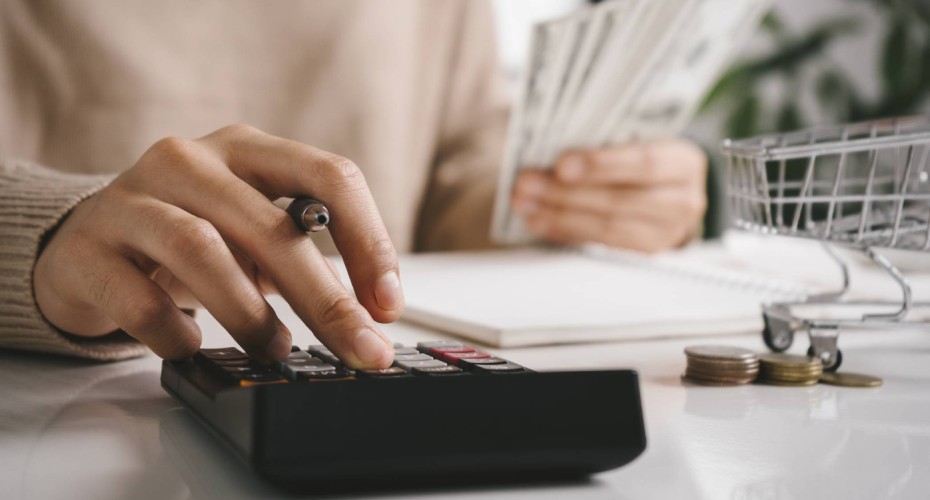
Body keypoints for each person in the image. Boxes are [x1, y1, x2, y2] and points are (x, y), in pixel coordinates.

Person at [0, 0, 707, 369]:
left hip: (368, 383)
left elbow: (460, 167)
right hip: (63, 397)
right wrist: (45, 234)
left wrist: (576, 194)